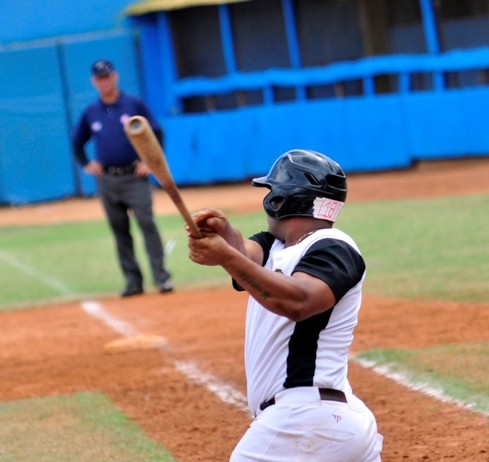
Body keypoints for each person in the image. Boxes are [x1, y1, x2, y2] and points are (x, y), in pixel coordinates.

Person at [187, 149, 383, 461]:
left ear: (284, 199)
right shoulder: (276, 246)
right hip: (328, 422)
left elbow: (298, 301)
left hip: (304, 421)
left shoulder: (334, 247)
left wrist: (225, 255)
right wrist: (224, 235)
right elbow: (245, 254)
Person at [72, 59, 173, 296]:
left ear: (115, 77)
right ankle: (133, 281)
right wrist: (87, 164)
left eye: (107, 76)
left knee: (147, 224)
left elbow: (156, 132)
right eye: (100, 78)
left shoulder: (133, 104)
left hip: (134, 176)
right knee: (120, 230)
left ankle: (162, 278)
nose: (104, 82)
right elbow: (77, 142)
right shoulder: (91, 112)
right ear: (94, 81)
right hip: (107, 179)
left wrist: (150, 162)